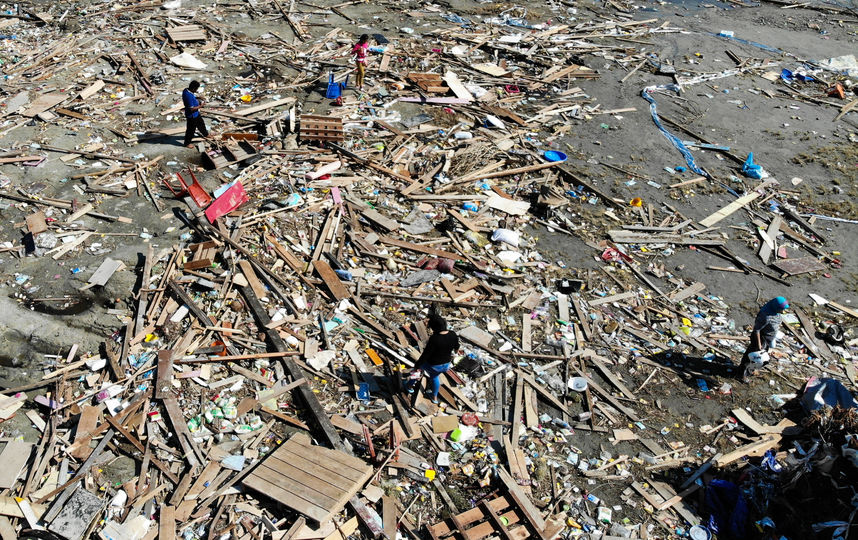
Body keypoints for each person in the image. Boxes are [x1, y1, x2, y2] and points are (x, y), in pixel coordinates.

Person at [405, 312, 459, 404]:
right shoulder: (453, 334)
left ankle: (409, 387)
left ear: (435, 327)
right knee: (434, 377)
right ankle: (434, 397)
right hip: (446, 365)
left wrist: (417, 365)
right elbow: (457, 347)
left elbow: (426, 355)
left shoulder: (435, 338)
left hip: (433, 365)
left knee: (418, 370)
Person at [739, 296, 789, 381]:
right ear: (776, 307)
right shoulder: (766, 316)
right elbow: (757, 330)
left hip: (768, 339)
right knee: (752, 358)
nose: (783, 312)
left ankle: (750, 371)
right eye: (781, 309)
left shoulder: (775, 311)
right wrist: (759, 345)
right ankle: (742, 375)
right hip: (761, 339)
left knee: (758, 359)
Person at [182, 80, 208, 148]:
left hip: (196, 114)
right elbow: (192, 108)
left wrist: (198, 97)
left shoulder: (186, 90)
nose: (196, 90)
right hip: (192, 116)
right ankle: (187, 143)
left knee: (201, 124)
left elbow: (191, 98)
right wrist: (201, 106)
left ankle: (206, 134)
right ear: (193, 88)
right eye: (196, 89)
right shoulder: (189, 96)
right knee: (191, 130)